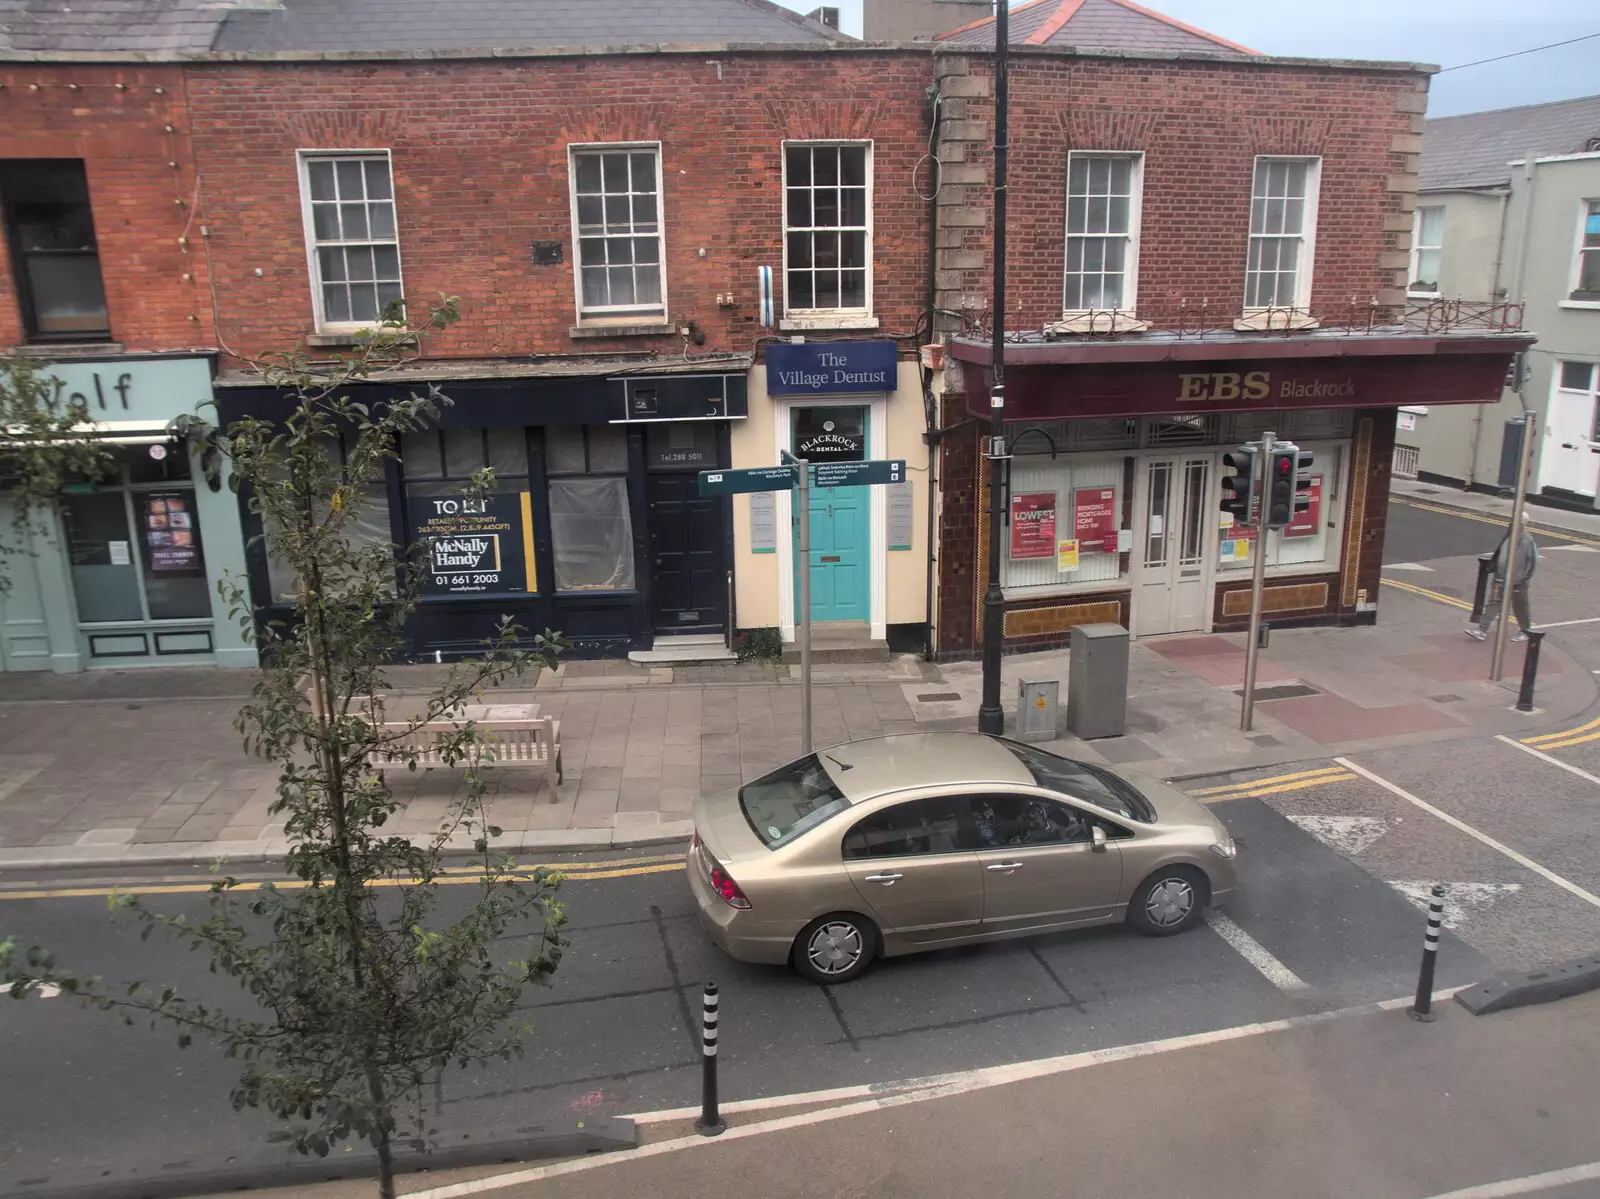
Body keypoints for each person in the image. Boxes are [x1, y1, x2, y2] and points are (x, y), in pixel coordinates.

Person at [1468, 528, 1537, 642]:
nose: (1510, 525)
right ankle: (1482, 630)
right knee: (1494, 602)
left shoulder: (1527, 540)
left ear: (1521, 524)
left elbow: (1532, 562)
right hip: (1500, 577)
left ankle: (1525, 631)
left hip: (1517, 581)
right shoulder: (1509, 536)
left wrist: (1524, 578)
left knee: (1520, 606)